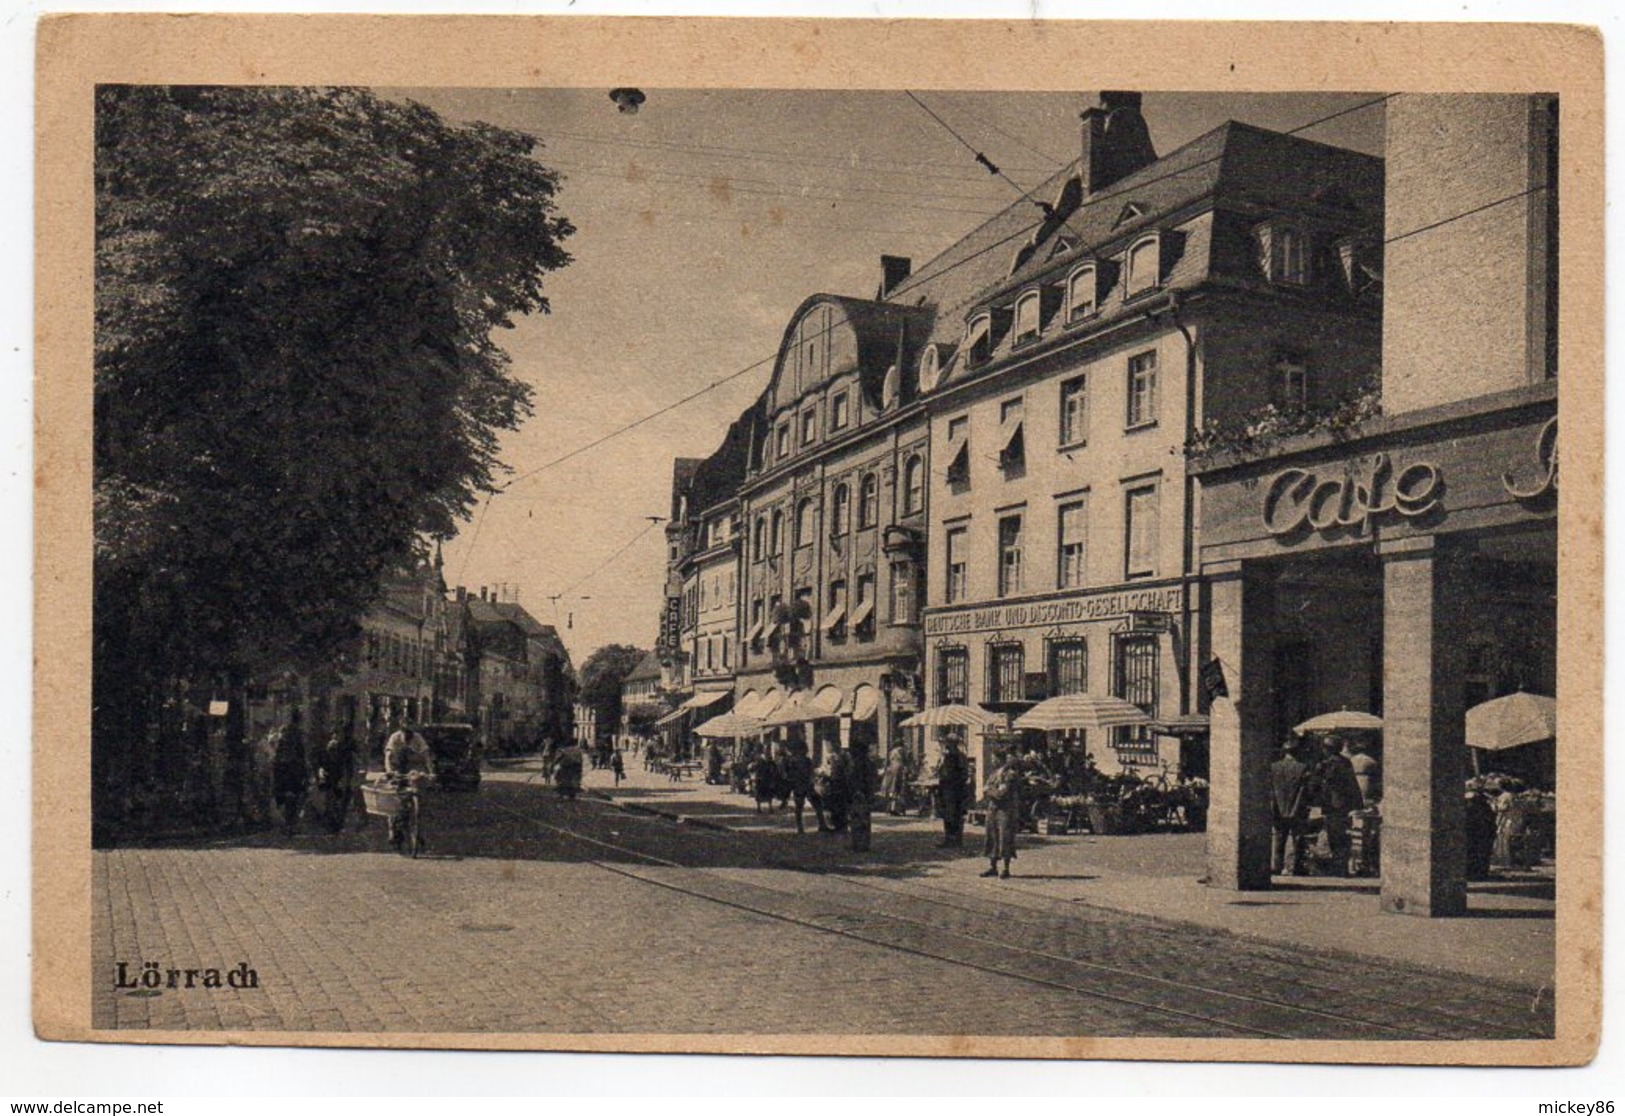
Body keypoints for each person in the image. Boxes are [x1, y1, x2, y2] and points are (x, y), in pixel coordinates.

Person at [1309, 735, 1365, 876]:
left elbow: (1314, 785)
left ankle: (1337, 868)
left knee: (1334, 836)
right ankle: (1342, 868)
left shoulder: (1325, 764)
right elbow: (1353, 784)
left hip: (1331, 805)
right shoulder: (1346, 762)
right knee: (1344, 836)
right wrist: (1358, 804)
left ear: (1327, 749)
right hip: (1344, 806)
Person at [1269, 739, 1311, 876]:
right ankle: (1297, 867)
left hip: (1278, 809)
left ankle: (1277, 866)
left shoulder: (1274, 767)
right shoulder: (1303, 767)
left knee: (1279, 839)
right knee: (1298, 839)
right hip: (1297, 808)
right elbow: (1307, 790)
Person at [981, 749, 1022, 878]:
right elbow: (985, 789)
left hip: (1005, 809)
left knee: (1005, 837)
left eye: (994, 758)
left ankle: (1005, 868)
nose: (992, 761)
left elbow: (1001, 794)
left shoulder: (1009, 775)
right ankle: (992, 866)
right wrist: (990, 791)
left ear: (1000, 759)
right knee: (991, 836)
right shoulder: (993, 774)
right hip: (993, 808)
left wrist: (990, 791)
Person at [271, 708, 308, 838]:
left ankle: (288, 824)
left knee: (284, 795)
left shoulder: (283, 732)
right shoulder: (298, 734)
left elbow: (277, 751)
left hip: (282, 767)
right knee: (294, 796)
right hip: (294, 768)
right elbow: (301, 753)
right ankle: (290, 824)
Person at [935, 736, 970, 849]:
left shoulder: (960, 757)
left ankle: (958, 840)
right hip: (945, 788)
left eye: (949, 743)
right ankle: (948, 839)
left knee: (956, 814)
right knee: (947, 815)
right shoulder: (946, 756)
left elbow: (964, 773)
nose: (946, 745)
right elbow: (940, 771)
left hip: (956, 789)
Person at [780, 740, 821, 834]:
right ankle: (820, 825)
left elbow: (786, 775)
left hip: (800, 785)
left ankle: (801, 828)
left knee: (800, 807)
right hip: (804, 785)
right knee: (815, 804)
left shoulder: (792, 760)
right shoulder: (803, 760)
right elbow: (811, 772)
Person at [879, 743, 910, 816]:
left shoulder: (891, 752)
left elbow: (886, 762)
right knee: (898, 791)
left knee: (890, 790)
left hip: (891, 770)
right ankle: (895, 809)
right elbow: (906, 761)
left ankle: (889, 809)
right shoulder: (901, 751)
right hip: (898, 771)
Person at [1348, 739, 1382, 804]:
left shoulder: (1352, 759)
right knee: (1365, 795)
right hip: (1366, 777)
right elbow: (1375, 768)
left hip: (1355, 777)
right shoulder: (1370, 759)